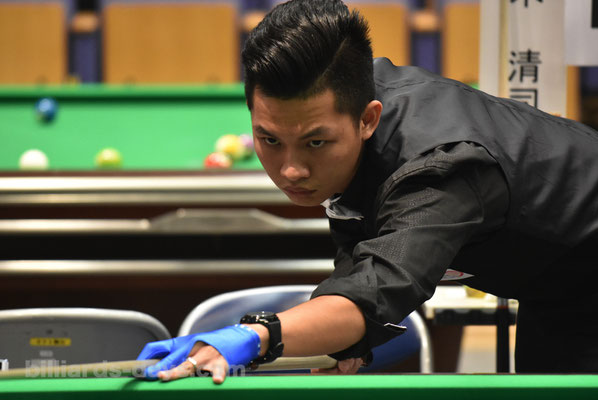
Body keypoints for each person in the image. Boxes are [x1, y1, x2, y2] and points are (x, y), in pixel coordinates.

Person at [137, 0, 598, 382]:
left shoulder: (439, 169)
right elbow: (359, 259)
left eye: (316, 143)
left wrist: (255, 335)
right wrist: (345, 337)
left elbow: (377, 289)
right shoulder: (345, 90)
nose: (291, 169)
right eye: (269, 139)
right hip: (558, 288)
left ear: (368, 119)